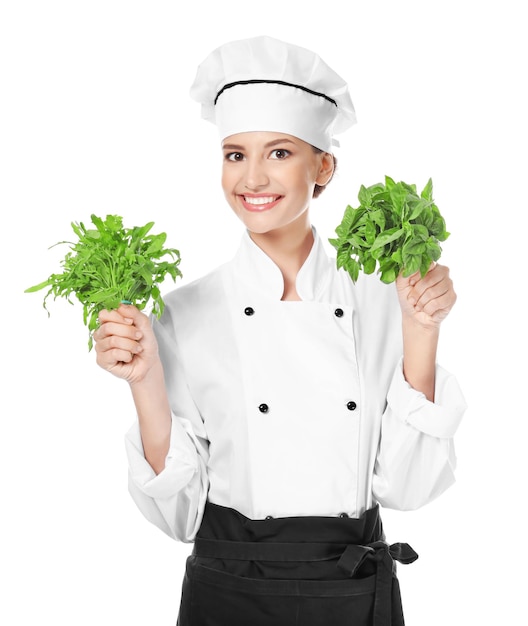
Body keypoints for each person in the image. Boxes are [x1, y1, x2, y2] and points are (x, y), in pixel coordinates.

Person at [93, 35, 467, 626]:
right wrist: (145, 380)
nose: (253, 178)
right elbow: (179, 518)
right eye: (235, 155)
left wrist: (422, 330)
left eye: (280, 153)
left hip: (350, 586)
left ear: (324, 167)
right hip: (228, 588)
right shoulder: (183, 312)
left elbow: (410, 489)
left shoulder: (383, 296)